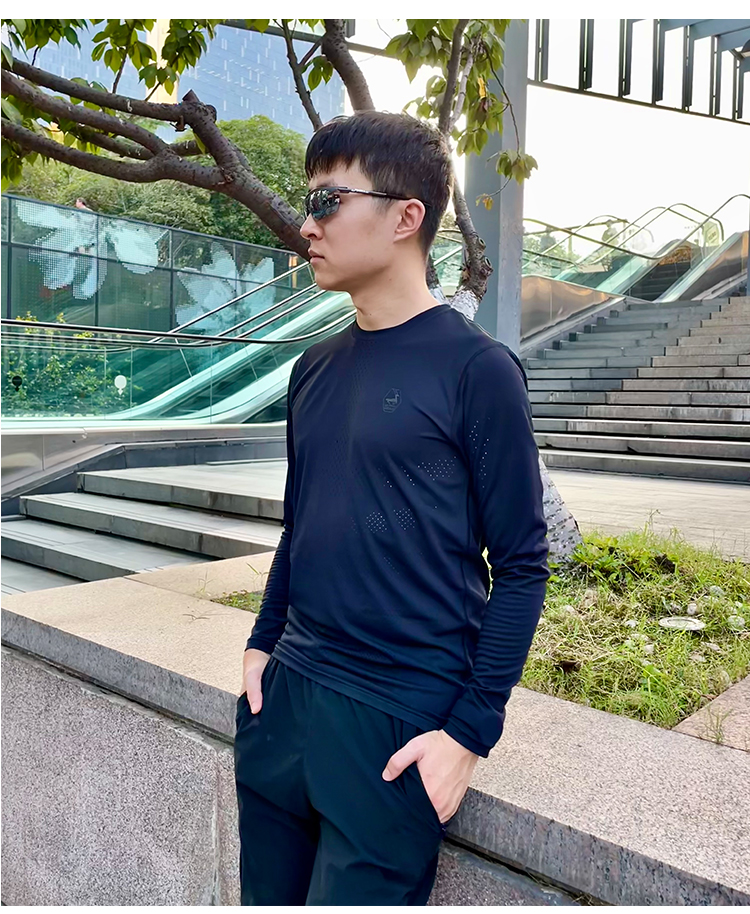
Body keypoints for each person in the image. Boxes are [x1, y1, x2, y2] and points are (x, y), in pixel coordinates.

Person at [234, 111, 550, 906]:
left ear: (407, 217)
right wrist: (262, 644)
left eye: (329, 201)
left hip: (394, 726)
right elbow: (300, 526)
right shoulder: (312, 369)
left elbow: (522, 565)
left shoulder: (478, 372)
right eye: (307, 202)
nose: (308, 225)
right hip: (285, 704)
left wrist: (469, 734)